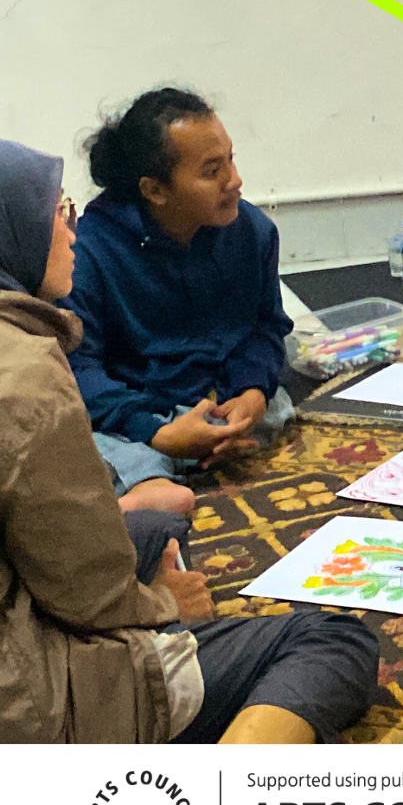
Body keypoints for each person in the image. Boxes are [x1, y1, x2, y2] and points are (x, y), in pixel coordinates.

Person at [0, 137, 378, 743]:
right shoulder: (18, 366)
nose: (71, 232)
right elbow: (86, 592)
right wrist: (164, 607)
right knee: (332, 641)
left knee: (158, 527)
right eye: (58, 214)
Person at [64, 88, 293, 512]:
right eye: (212, 171)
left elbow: (265, 326)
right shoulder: (88, 254)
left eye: (231, 159)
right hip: (136, 409)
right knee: (80, 444)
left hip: (213, 396)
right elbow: (78, 369)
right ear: (155, 190)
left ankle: (203, 447)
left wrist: (250, 395)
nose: (235, 180)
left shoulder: (252, 231)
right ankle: (163, 464)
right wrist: (155, 431)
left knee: (277, 396)